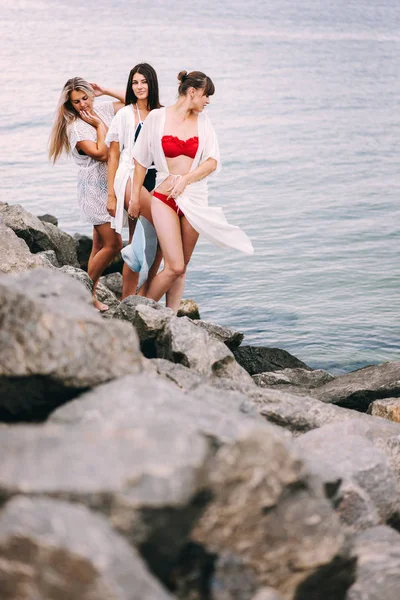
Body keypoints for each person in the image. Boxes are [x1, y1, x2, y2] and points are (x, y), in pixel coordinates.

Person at [130, 70, 254, 313]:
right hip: (164, 198)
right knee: (174, 266)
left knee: (182, 266)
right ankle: (139, 311)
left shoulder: (204, 122)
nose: (208, 101)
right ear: (192, 92)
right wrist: (134, 197)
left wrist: (186, 180)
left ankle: (170, 317)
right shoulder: (157, 118)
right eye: (206, 96)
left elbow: (212, 161)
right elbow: (140, 161)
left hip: (194, 201)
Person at [49, 77, 124, 311]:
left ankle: (89, 297)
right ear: (69, 105)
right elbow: (101, 154)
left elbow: (133, 102)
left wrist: (105, 90)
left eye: (85, 98)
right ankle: (81, 294)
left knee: (97, 246)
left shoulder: (99, 108)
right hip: (93, 189)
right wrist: (101, 127)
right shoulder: (77, 127)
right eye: (76, 101)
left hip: (109, 183)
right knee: (113, 245)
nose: (83, 104)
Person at [106, 63, 162, 299]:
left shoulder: (162, 113)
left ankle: (134, 298)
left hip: (157, 177)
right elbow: (114, 154)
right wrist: (111, 194)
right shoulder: (124, 114)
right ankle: (133, 297)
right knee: (158, 227)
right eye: (135, 82)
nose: (139, 87)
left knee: (147, 241)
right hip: (129, 176)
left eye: (144, 82)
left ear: (152, 83)